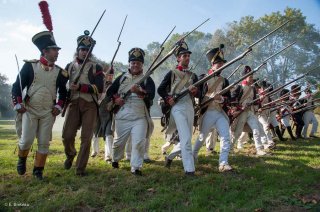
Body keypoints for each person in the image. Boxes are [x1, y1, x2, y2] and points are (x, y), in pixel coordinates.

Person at [12, 31, 68, 180]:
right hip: (30, 110)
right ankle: (22, 159)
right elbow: (17, 86)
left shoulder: (61, 73)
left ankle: (38, 171)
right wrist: (18, 103)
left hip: (48, 112)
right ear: (45, 51)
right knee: (26, 140)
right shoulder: (29, 66)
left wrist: (59, 106)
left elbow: (63, 93)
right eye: (54, 50)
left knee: (44, 143)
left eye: (57, 50)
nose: (57, 53)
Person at [107, 47, 155, 176]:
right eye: (133, 63)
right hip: (122, 115)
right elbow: (110, 92)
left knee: (139, 142)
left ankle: (136, 167)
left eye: (138, 63)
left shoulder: (146, 79)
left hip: (140, 116)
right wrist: (116, 99)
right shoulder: (121, 77)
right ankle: (115, 159)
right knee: (118, 143)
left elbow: (151, 95)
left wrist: (139, 91)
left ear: (142, 65)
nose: (135, 65)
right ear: (129, 63)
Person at [62, 31, 104, 176]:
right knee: (66, 136)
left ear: (90, 52)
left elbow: (99, 88)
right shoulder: (69, 66)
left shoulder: (96, 67)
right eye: (82, 49)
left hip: (90, 105)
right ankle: (70, 154)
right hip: (73, 103)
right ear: (78, 50)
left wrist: (81, 87)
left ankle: (80, 169)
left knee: (86, 138)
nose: (84, 52)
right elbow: (61, 85)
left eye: (87, 50)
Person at [157, 41, 199, 176]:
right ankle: (189, 170)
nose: (187, 57)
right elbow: (160, 89)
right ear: (178, 58)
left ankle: (169, 157)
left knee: (186, 138)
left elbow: (200, 94)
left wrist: (195, 92)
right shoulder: (172, 73)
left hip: (189, 106)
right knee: (186, 139)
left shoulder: (193, 75)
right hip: (177, 107)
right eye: (184, 55)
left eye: (188, 55)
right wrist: (168, 98)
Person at [192, 44, 232, 172]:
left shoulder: (225, 81)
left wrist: (220, 99)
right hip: (207, 111)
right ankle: (193, 155)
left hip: (219, 112)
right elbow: (196, 93)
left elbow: (229, 99)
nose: (221, 66)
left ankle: (223, 163)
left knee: (226, 136)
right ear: (212, 64)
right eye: (219, 63)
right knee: (202, 137)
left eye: (222, 64)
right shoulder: (203, 78)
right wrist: (208, 96)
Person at [229, 66, 268, 156]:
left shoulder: (253, 88)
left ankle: (259, 149)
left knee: (256, 129)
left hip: (250, 112)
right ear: (245, 77)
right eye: (250, 77)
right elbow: (232, 100)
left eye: (252, 77)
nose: (252, 79)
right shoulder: (239, 87)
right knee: (237, 132)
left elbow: (255, 101)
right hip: (241, 112)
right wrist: (240, 108)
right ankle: (230, 149)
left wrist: (259, 104)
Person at [91, 66, 114, 162]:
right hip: (96, 112)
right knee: (95, 133)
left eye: (111, 75)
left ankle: (108, 155)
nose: (110, 77)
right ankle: (94, 150)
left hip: (108, 113)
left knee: (109, 134)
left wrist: (112, 103)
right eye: (108, 74)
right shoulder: (97, 84)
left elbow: (117, 97)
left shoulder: (114, 86)